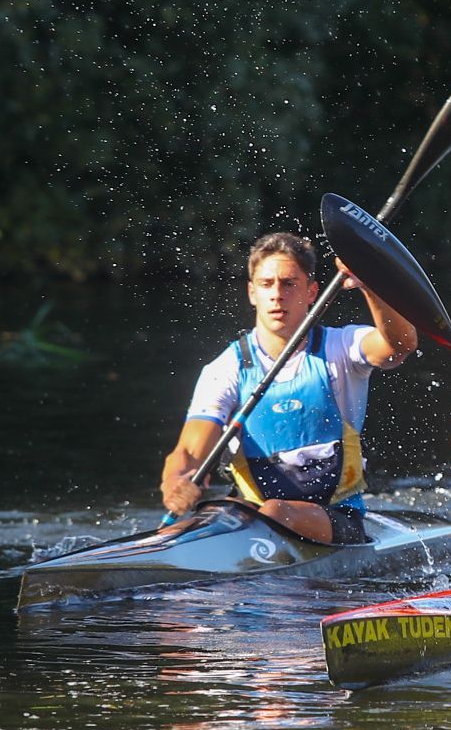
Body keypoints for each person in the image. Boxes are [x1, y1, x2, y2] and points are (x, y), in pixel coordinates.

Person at [160, 232, 418, 543]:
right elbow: (188, 451)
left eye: (289, 283)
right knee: (216, 515)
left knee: (274, 513)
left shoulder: (340, 348)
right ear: (252, 292)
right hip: (248, 517)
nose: (277, 294)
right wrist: (176, 483)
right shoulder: (225, 369)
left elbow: (401, 345)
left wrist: (370, 284)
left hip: (335, 518)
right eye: (266, 284)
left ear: (312, 292)